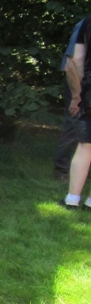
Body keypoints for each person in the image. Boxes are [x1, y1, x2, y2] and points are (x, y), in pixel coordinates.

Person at [63, 16, 91, 209]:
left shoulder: (87, 22)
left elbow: (75, 60)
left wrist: (79, 93)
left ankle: (72, 199)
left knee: (86, 146)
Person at [53, 17, 85, 180]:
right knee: (74, 124)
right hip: (78, 83)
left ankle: (84, 171)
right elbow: (70, 63)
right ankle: (62, 170)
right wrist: (76, 96)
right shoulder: (85, 25)